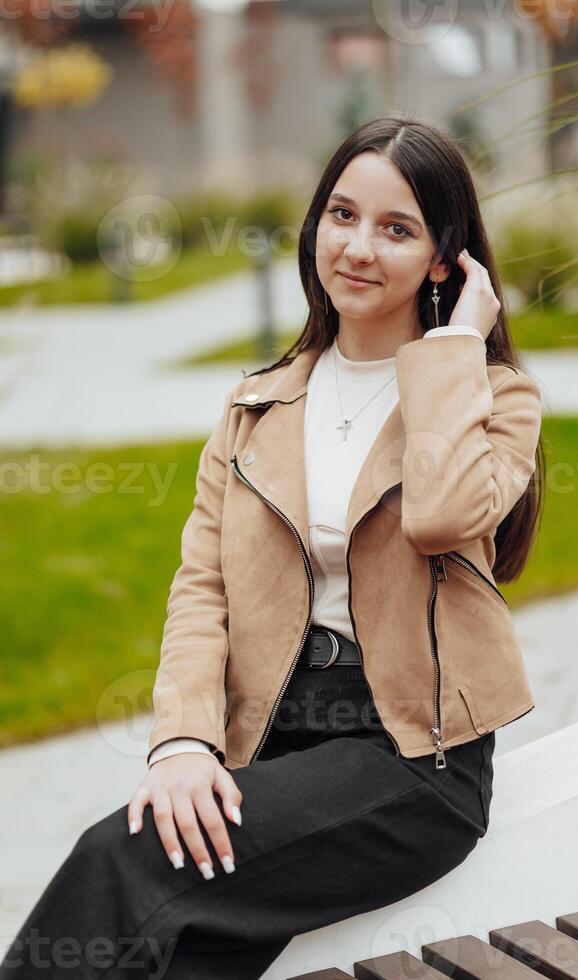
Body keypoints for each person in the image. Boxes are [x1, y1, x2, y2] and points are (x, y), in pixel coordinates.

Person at [0, 115, 544, 980]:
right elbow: (201, 587)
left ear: (447, 260)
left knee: (127, 860)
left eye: (397, 229)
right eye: (342, 215)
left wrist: (452, 352)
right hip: (273, 733)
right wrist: (182, 743)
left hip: (408, 755)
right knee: (180, 952)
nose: (358, 247)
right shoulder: (257, 403)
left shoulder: (492, 397)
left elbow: (440, 516)